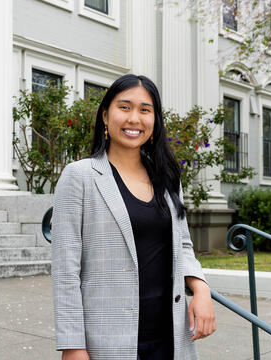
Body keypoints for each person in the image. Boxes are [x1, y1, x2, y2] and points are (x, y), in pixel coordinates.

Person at [52, 74, 216, 360]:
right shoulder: (79, 177)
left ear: (155, 121)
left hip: (171, 337)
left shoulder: (167, 177)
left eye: (145, 110)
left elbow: (183, 245)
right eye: (124, 107)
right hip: (107, 340)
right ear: (105, 115)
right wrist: (73, 345)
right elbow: (66, 271)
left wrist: (201, 289)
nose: (134, 119)